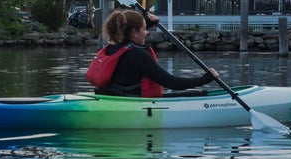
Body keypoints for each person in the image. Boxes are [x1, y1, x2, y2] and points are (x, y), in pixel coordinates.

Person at [86, 9, 219, 97]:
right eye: (144, 29)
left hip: (116, 97)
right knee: (197, 94)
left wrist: (148, 22)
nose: (147, 32)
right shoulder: (139, 56)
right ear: (134, 32)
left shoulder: (112, 48)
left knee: (195, 94)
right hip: (137, 103)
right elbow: (171, 83)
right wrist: (205, 79)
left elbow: (130, 37)